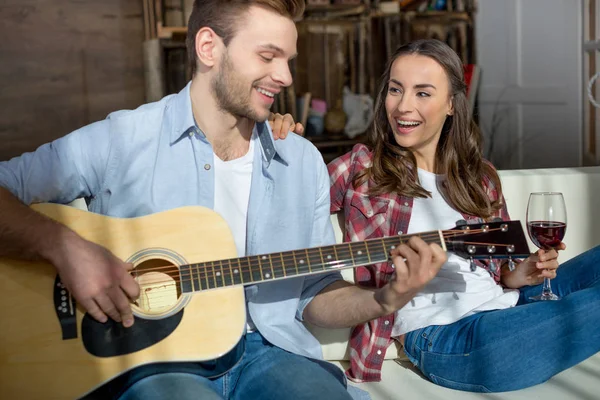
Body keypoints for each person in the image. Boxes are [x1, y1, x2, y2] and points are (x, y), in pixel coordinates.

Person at [0, 2, 447, 399]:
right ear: (209, 48)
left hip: (271, 353)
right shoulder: (124, 138)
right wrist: (65, 247)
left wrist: (387, 298)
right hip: (154, 361)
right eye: (268, 56)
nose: (287, 77)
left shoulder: (303, 160)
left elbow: (314, 294)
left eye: (288, 60)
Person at [324, 38, 600, 392]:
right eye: (396, 90)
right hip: (448, 338)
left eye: (423, 93)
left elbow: (502, 272)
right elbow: (288, 203)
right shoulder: (360, 168)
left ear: (451, 104)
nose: (403, 106)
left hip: (512, 304)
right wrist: (278, 140)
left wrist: (520, 274)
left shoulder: (478, 176)